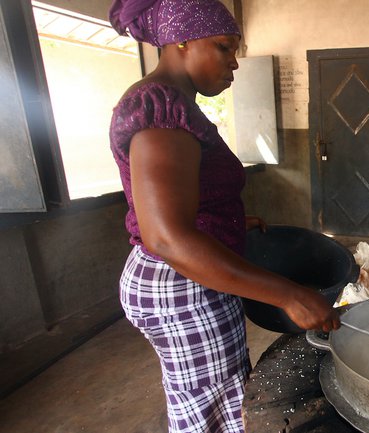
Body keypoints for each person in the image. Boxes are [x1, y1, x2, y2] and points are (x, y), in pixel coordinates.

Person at [107, 0, 340, 431]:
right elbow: (167, 239)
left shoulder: (175, 104)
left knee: (204, 397)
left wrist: (226, 220)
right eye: (223, 47)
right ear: (181, 41)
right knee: (215, 411)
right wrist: (287, 293)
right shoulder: (160, 110)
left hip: (185, 272)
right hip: (180, 284)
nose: (234, 62)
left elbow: (176, 201)